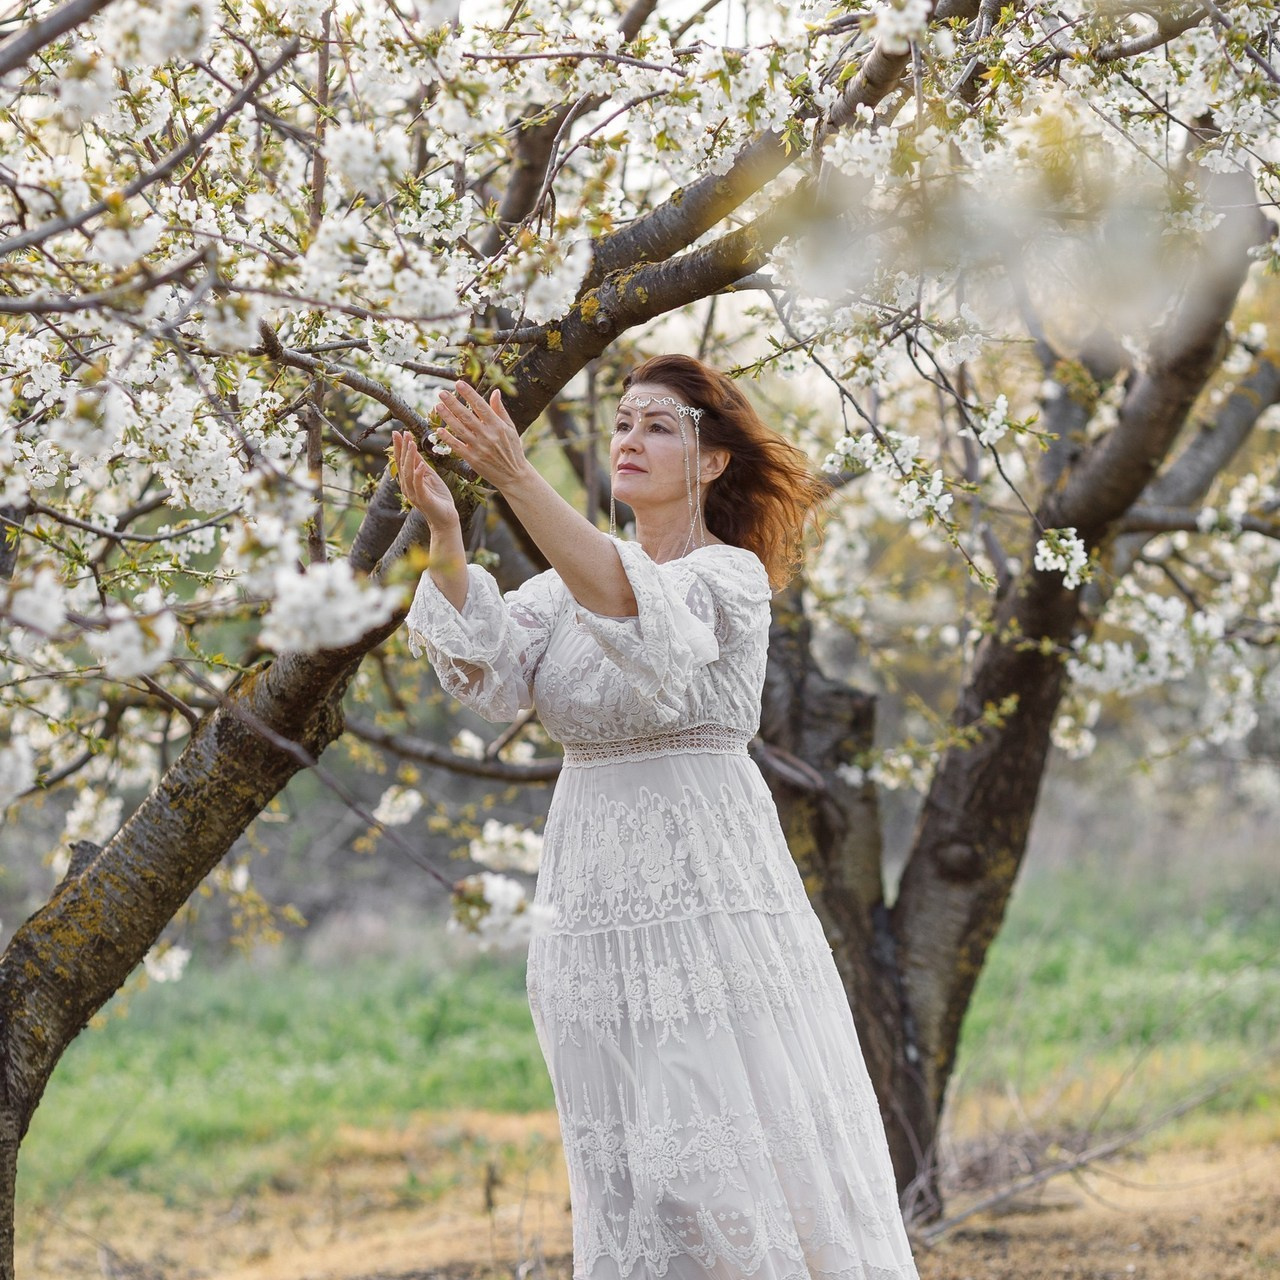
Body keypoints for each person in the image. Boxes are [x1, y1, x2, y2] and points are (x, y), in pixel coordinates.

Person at [394, 354, 920, 1280]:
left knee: (707, 1174)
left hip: (705, 897)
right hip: (590, 905)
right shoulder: (561, 587)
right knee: (633, 1177)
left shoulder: (728, 578)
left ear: (712, 461)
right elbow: (487, 669)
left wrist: (516, 475)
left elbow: (629, 600)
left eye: (660, 425)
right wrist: (444, 531)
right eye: (624, 422)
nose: (630, 439)